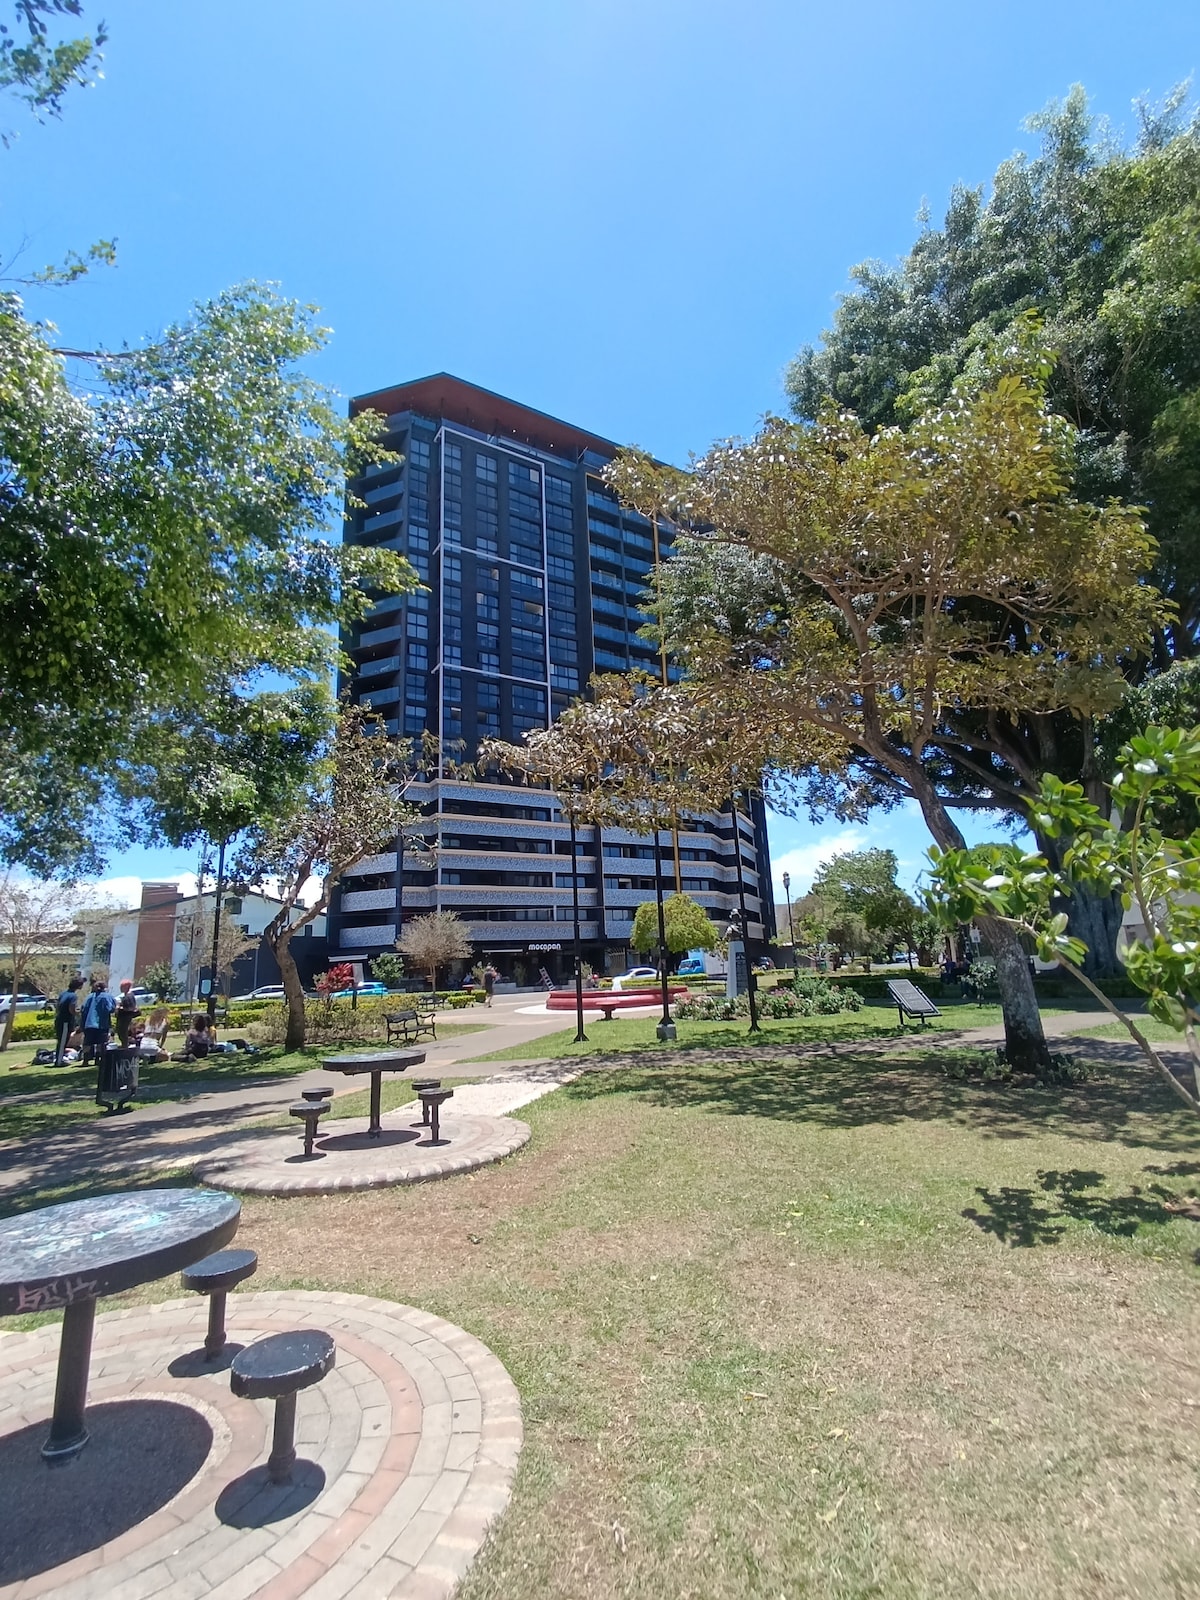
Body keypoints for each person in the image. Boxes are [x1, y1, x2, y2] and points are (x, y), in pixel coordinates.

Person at [79, 978, 117, 1066]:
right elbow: (111, 1008)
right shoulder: (108, 997)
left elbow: (83, 1009)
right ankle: (98, 1059)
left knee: (87, 1042)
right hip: (102, 1024)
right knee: (101, 1042)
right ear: (105, 987)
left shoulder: (89, 997)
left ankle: (85, 1060)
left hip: (89, 1023)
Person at [54, 975, 85, 1066]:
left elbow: (58, 1006)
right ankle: (59, 1061)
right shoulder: (73, 996)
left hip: (59, 1019)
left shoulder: (63, 994)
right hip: (65, 1021)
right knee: (63, 1040)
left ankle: (59, 1058)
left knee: (61, 1040)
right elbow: (71, 1009)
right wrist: (78, 1013)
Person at [114, 979, 140, 1047]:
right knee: (121, 1033)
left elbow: (131, 1008)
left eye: (122, 986)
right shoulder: (126, 996)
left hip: (125, 1018)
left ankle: (125, 1046)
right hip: (123, 1018)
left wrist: (119, 1007)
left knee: (123, 1032)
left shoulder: (129, 996)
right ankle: (124, 1045)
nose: (120, 988)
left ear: (127, 986)